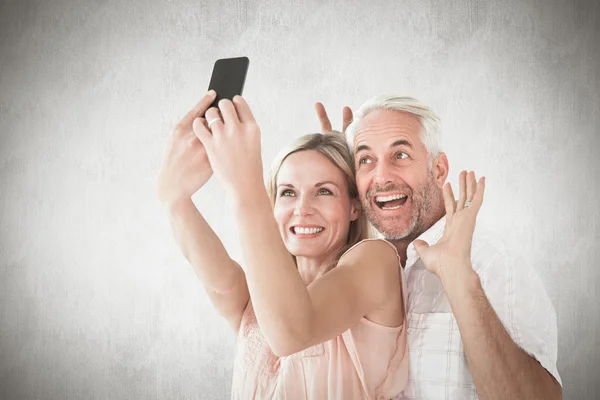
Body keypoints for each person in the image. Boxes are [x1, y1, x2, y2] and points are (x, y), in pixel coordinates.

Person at [157, 90, 433, 399]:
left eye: (324, 191)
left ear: (354, 206)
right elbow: (221, 285)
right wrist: (173, 197)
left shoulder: (375, 261)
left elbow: (292, 331)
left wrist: (244, 185)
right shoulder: (259, 298)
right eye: (288, 192)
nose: (302, 208)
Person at [316, 95, 562, 399]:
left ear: (439, 170)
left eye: (400, 155)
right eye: (365, 160)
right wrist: (333, 193)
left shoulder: (492, 264)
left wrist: (460, 279)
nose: (381, 176)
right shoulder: (362, 263)